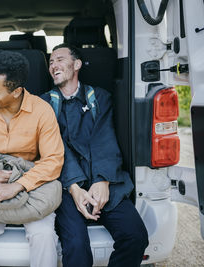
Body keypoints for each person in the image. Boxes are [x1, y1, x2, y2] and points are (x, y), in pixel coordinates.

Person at [41, 43, 149, 267]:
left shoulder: (100, 97)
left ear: (77, 64)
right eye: (51, 62)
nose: (54, 65)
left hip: (105, 177)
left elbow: (105, 138)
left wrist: (103, 180)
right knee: (77, 246)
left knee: (135, 236)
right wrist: (74, 188)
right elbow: (54, 148)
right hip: (66, 184)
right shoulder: (43, 104)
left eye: (60, 59)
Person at [0, 51, 64, 267]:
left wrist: (19, 185)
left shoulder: (42, 110)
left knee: (44, 235)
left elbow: (53, 160)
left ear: (17, 91)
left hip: (31, 181)